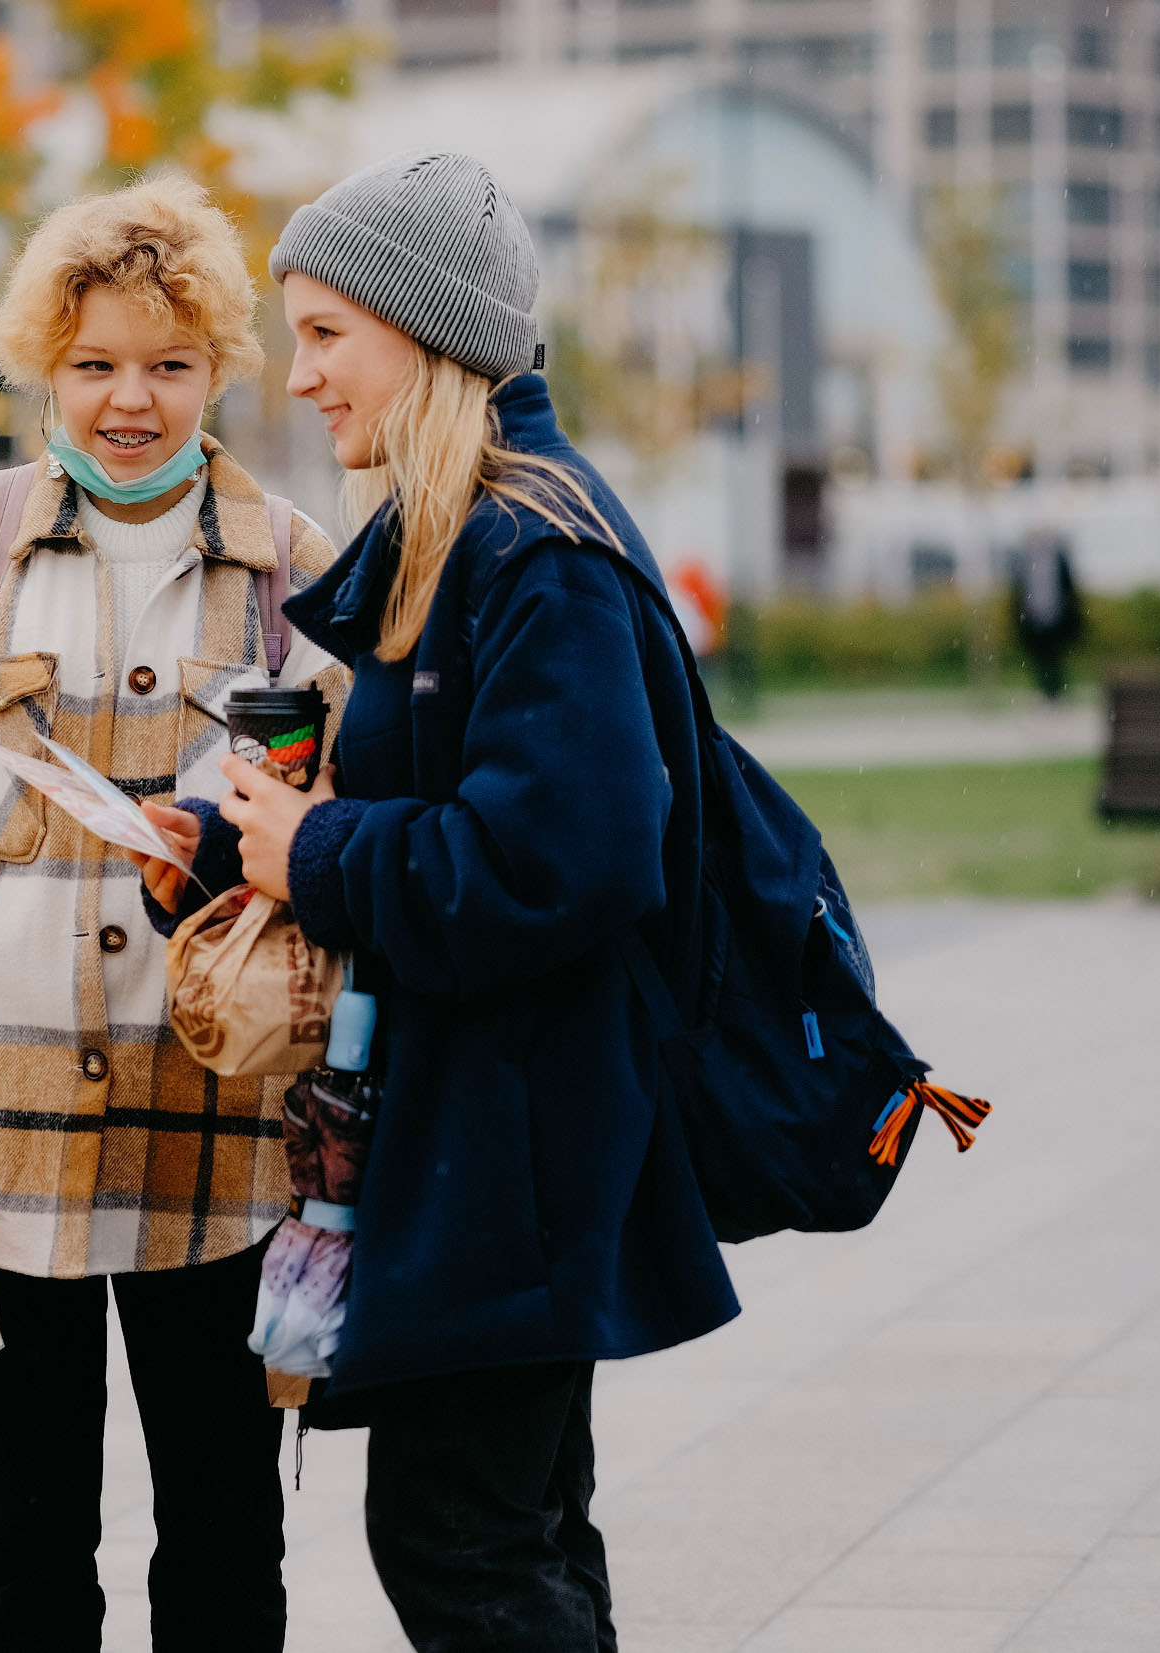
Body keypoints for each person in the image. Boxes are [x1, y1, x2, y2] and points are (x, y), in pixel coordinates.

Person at [130, 151, 740, 1653]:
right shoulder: (466, 528)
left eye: (325, 333)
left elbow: (568, 856)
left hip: (519, 1129)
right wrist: (232, 850)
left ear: (426, 334)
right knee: (512, 1530)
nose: (299, 373)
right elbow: (433, 807)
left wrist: (316, 853)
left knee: (458, 1539)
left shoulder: (531, 549)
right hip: (492, 1117)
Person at [0, 176, 346, 1652]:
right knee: (21, 1546)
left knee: (226, 1542)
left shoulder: (295, 567)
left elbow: (347, 837)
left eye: (169, 365)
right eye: (96, 363)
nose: (130, 401)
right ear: (44, 362)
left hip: (225, 1139)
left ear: (217, 368)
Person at [1012, 530, 1084, 701]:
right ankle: (1045, 691)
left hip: (1056, 617)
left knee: (1056, 657)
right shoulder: (1026, 562)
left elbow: (1069, 588)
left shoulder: (1057, 561)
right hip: (1034, 618)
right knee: (1040, 658)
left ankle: (1057, 692)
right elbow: (1020, 592)